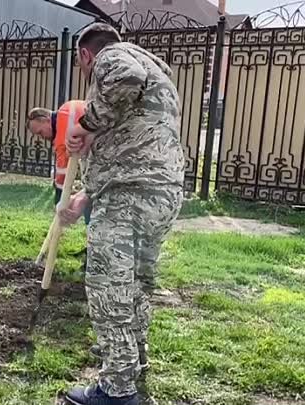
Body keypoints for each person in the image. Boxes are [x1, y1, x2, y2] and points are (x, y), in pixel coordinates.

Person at [57, 23, 185, 405]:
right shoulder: (157, 72)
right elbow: (130, 137)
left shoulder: (112, 58)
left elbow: (124, 79)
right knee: (138, 280)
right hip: (162, 192)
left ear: (85, 54)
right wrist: (86, 194)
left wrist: (85, 123)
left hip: (129, 195)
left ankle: (116, 388)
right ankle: (133, 356)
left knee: (108, 286)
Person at [26, 102, 93, 265]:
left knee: (93, 206)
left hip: (103, 156)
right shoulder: (65, 115)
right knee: (90, 203)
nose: (42, 137)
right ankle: (92, 248)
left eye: (40, 132)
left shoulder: (65, 118)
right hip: (95, 156)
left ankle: (93, 254)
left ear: (46, 119)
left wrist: (60, 199)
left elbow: (64, 164)